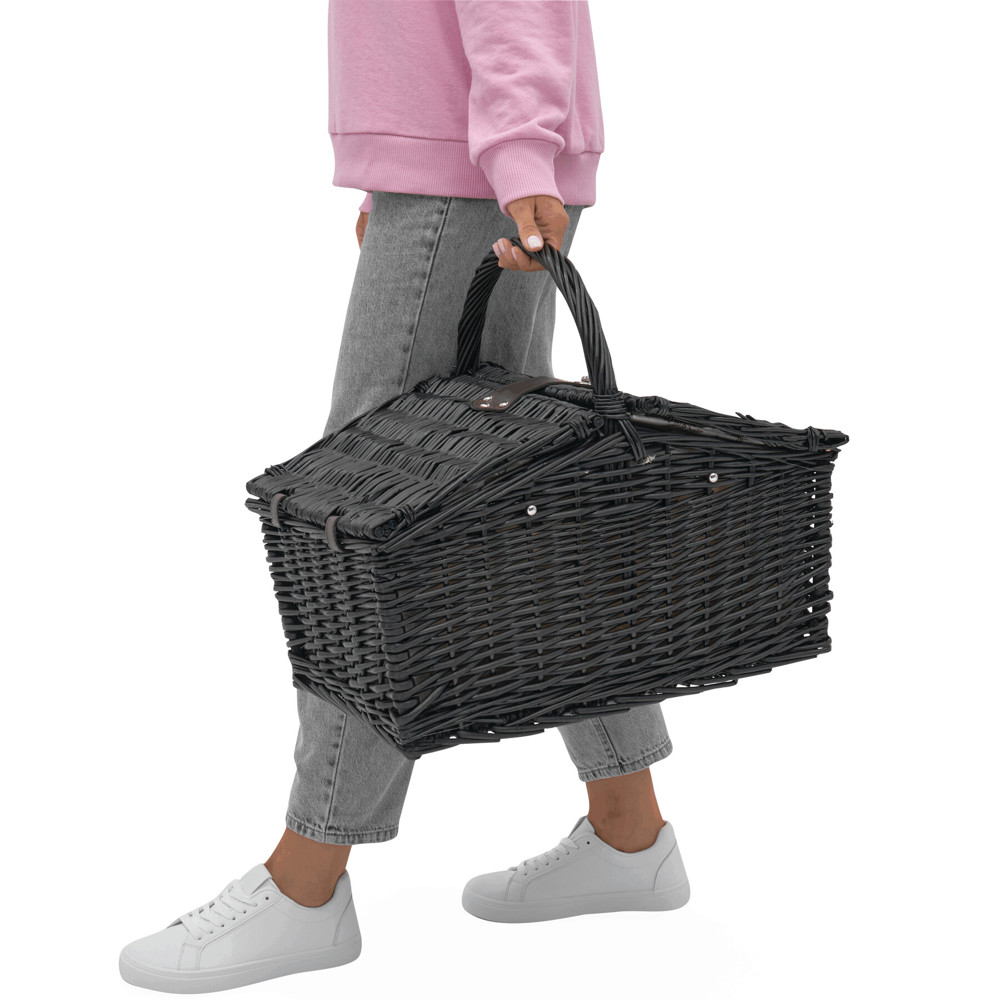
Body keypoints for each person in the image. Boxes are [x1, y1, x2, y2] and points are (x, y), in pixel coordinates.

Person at [119, 2, 689, 992]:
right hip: (456, 168)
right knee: (520, 511)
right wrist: (405, 178)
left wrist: (510, 160)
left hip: (472, 171)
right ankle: (628, 831)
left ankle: (307, 881)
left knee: (366, 514)